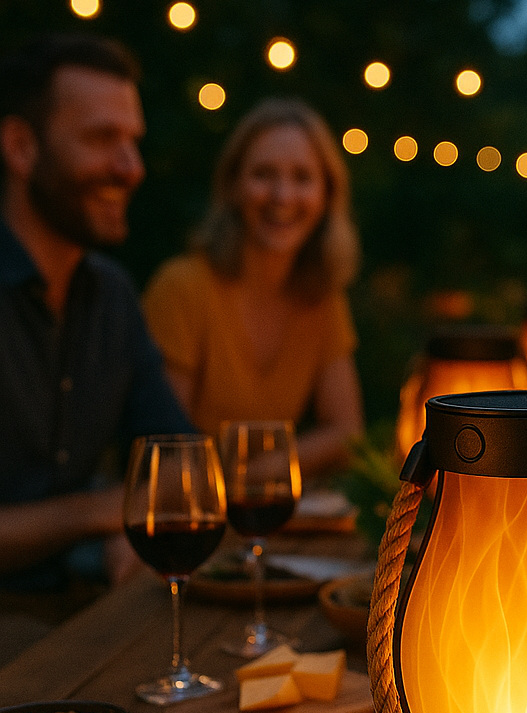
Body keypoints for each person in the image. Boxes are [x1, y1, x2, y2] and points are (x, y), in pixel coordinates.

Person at [0, 33, 192, 593]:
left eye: (133, 141)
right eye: (103, 139)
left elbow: (180, 462)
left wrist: (124, 524)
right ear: (20, 147)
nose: (131, 168)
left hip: (79, 606)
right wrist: (99, 513)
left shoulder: (111, 294)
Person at [143, 99, 364, 476]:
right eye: (263, 174)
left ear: (327, 194)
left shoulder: (321, 297)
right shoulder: (181, 288)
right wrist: (261, 479)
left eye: (302, 178)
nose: (282, 196)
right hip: (187, 505)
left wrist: (259, 476)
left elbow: (346, 434)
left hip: (261, 504)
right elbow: (165, 450)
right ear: (232, 186)